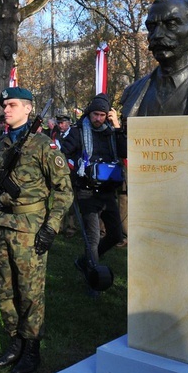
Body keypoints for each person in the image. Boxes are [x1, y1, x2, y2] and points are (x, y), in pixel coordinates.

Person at [0, 87, 73, 373]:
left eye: (12, 105)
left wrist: (51, 227)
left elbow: (64, 191)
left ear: (29, 109)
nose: (6, 110)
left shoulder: (44, 145)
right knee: (6, 289)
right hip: (3, 226)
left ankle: (32, 349)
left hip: (30, 229)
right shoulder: (2, 142)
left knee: (30, 292)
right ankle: (14, 341)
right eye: (4, 105)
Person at [69, 94, 126, 264]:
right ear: (89, 113)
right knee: (92, 238)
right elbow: (65, 152)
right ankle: (93, 280)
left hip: (108, 192)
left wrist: (116, 126)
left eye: (102, 115)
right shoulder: (79, 130)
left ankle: (87, 261)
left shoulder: (111, 132)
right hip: (86, 191)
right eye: (95, 114)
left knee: (116, 235)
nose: (98, 119)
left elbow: (124, 152)